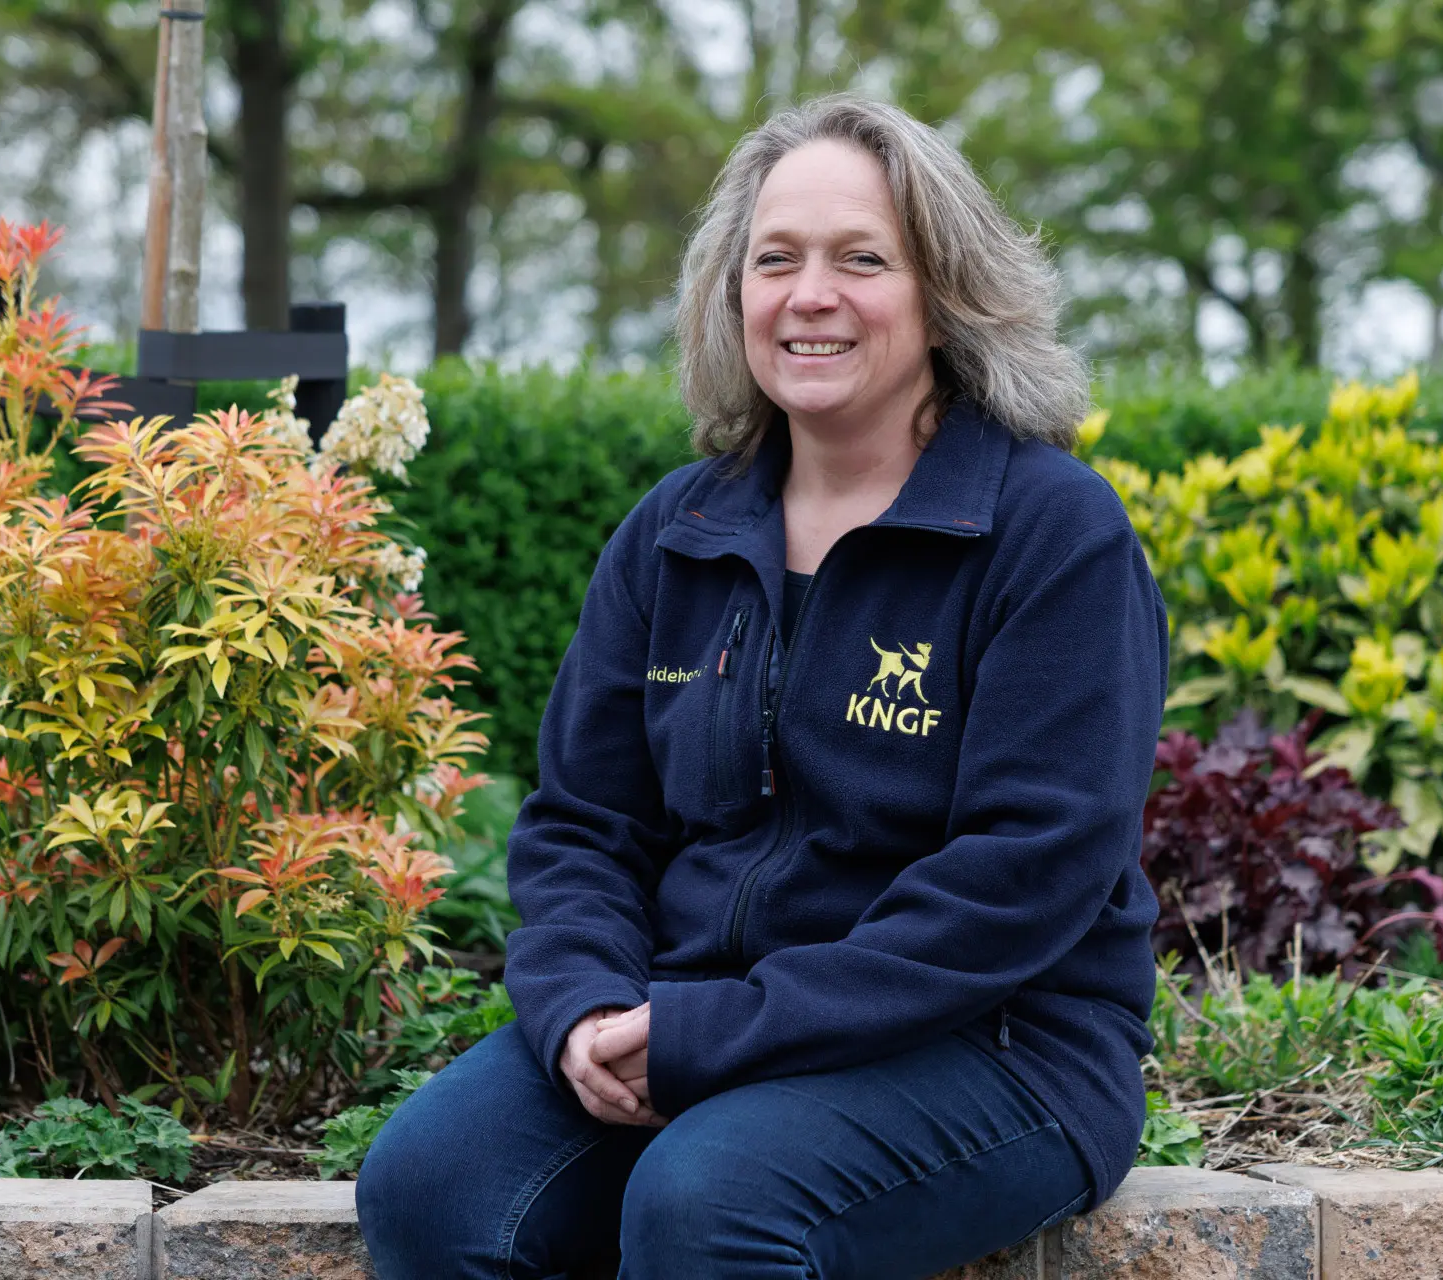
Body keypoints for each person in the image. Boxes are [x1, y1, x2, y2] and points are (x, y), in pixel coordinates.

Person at [356, 93, 1169, 1280]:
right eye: (774, 259)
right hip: (689, 1012)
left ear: (943, 294)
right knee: (432, 1186)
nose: (810, 294)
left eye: (862, 259)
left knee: (710, 1201)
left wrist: (708, 1033)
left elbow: (1024, 875)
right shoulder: (676, 533)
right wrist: (586, 1007)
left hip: (1000, 1041)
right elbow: (583, 823)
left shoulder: (1052, 534)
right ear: (731, 294)